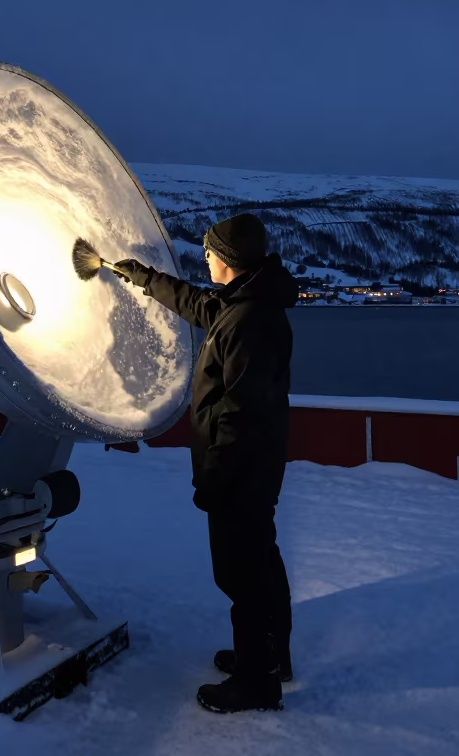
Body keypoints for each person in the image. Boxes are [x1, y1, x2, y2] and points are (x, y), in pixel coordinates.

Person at [113, 212, 297, 713]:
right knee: (260, 558)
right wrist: (146, 279)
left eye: (212, 251)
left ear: (231, 259)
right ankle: (269, 656)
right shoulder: (243, 304)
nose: (206, 258)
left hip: (242, 468)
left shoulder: (251, 321)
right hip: (251, 467)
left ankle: (257, 681)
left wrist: (216, 476)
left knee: (242, 574)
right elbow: (199, 304)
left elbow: (241, 412)